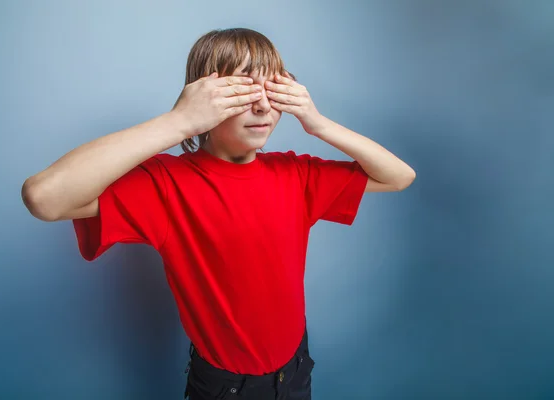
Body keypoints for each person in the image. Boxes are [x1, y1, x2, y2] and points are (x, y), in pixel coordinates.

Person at [21, 27, 415, 400]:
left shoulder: (296, 173)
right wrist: (179, 121)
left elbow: (399, 176)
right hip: (226, 388)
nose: (262, 105)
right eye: (242, 92)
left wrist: (318, 124)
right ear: (205, 97)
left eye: (272, 89)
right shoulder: (166, 185)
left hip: (295, 370)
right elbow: (44, 196)